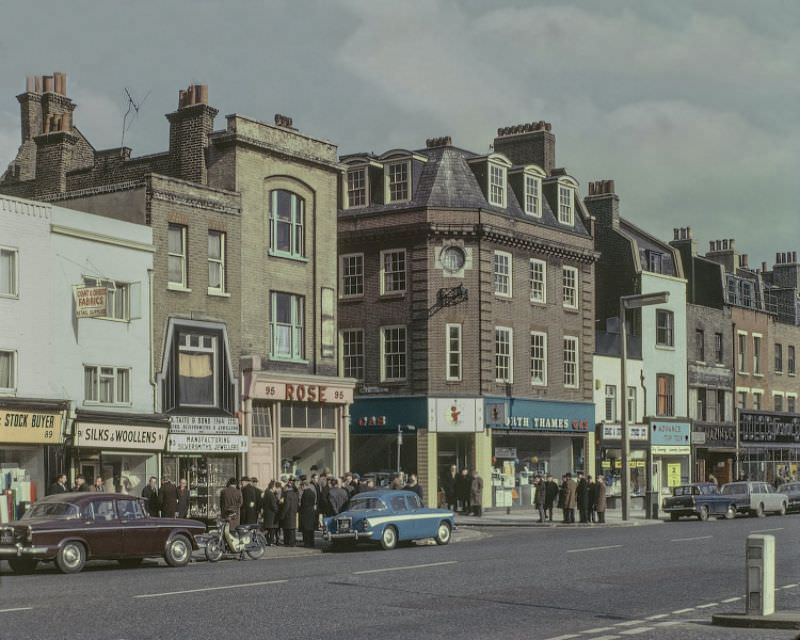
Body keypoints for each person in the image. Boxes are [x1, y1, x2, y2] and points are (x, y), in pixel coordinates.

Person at [278, 479, 299, 547]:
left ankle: (287, 542)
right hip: (293, 513)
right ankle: (292, 542)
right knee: (292, 529)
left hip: (288, 514)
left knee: (287, 529)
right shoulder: (295, 493)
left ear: (287, 487)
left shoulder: (287, 494)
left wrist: (282, 514)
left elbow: (286, 505)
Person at [299, 480, 317, 548]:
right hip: (311, 512)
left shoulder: (305, 493)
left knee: (306, 529)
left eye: (301, 486)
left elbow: (304, 504)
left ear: (304, 486)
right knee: (311, 529)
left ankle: (307, 543)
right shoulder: (312, 492)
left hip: (305, 513)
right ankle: (312, 542)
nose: (301, 488)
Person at [262, 481, 280, 545]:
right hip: (271, 514)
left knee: (267, 528)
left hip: (267, 513)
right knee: (271, 528)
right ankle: (271, 542)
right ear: (273, 487)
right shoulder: (271, 494)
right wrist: (277, 511)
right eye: (275, 487)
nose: (276, 488)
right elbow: (273, 505)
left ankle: (265, 540)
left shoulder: (266, 493)